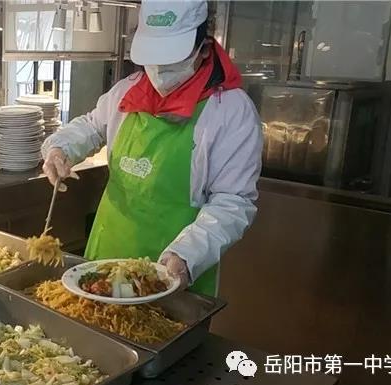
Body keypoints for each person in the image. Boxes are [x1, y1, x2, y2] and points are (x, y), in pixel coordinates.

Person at [41, 0, 262, 297]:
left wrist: (187, 256)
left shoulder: (231, 111)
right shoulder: (128, 89)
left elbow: (233, 202)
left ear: (204, 48)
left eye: (172, 58)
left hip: (170, 273)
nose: (159, 70)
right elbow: (92, 126)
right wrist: (60, 148)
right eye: (153, 58)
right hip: (104, 258)